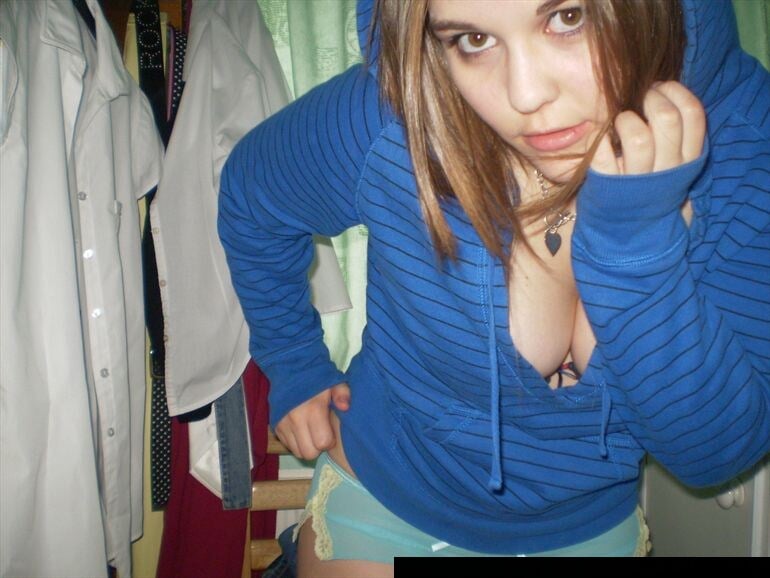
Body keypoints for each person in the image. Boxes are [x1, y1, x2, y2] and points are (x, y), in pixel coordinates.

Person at [218, 0, 770, 572]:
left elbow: (713, 453)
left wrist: (636, 246)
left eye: (569, 17)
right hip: (385, 500)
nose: (525, 95)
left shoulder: (746, 140)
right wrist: (294, 363)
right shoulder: (393, 117)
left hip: (588, 527)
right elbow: (253, 197)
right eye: (473, 39)